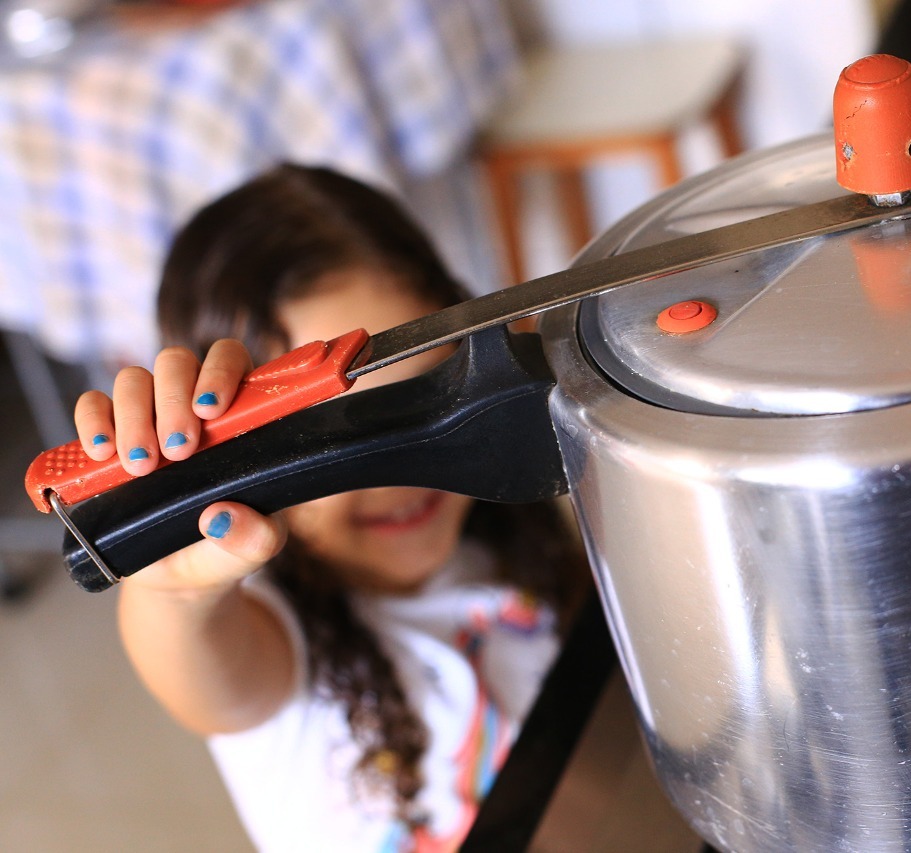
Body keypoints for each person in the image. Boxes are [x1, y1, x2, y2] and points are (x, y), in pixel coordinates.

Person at [71, 164, 591, 851]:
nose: (401, 478)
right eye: (341, 437)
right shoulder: (274, 640)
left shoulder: (512, 533)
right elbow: (201, 673)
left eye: (422, 398)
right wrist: (169, 586)